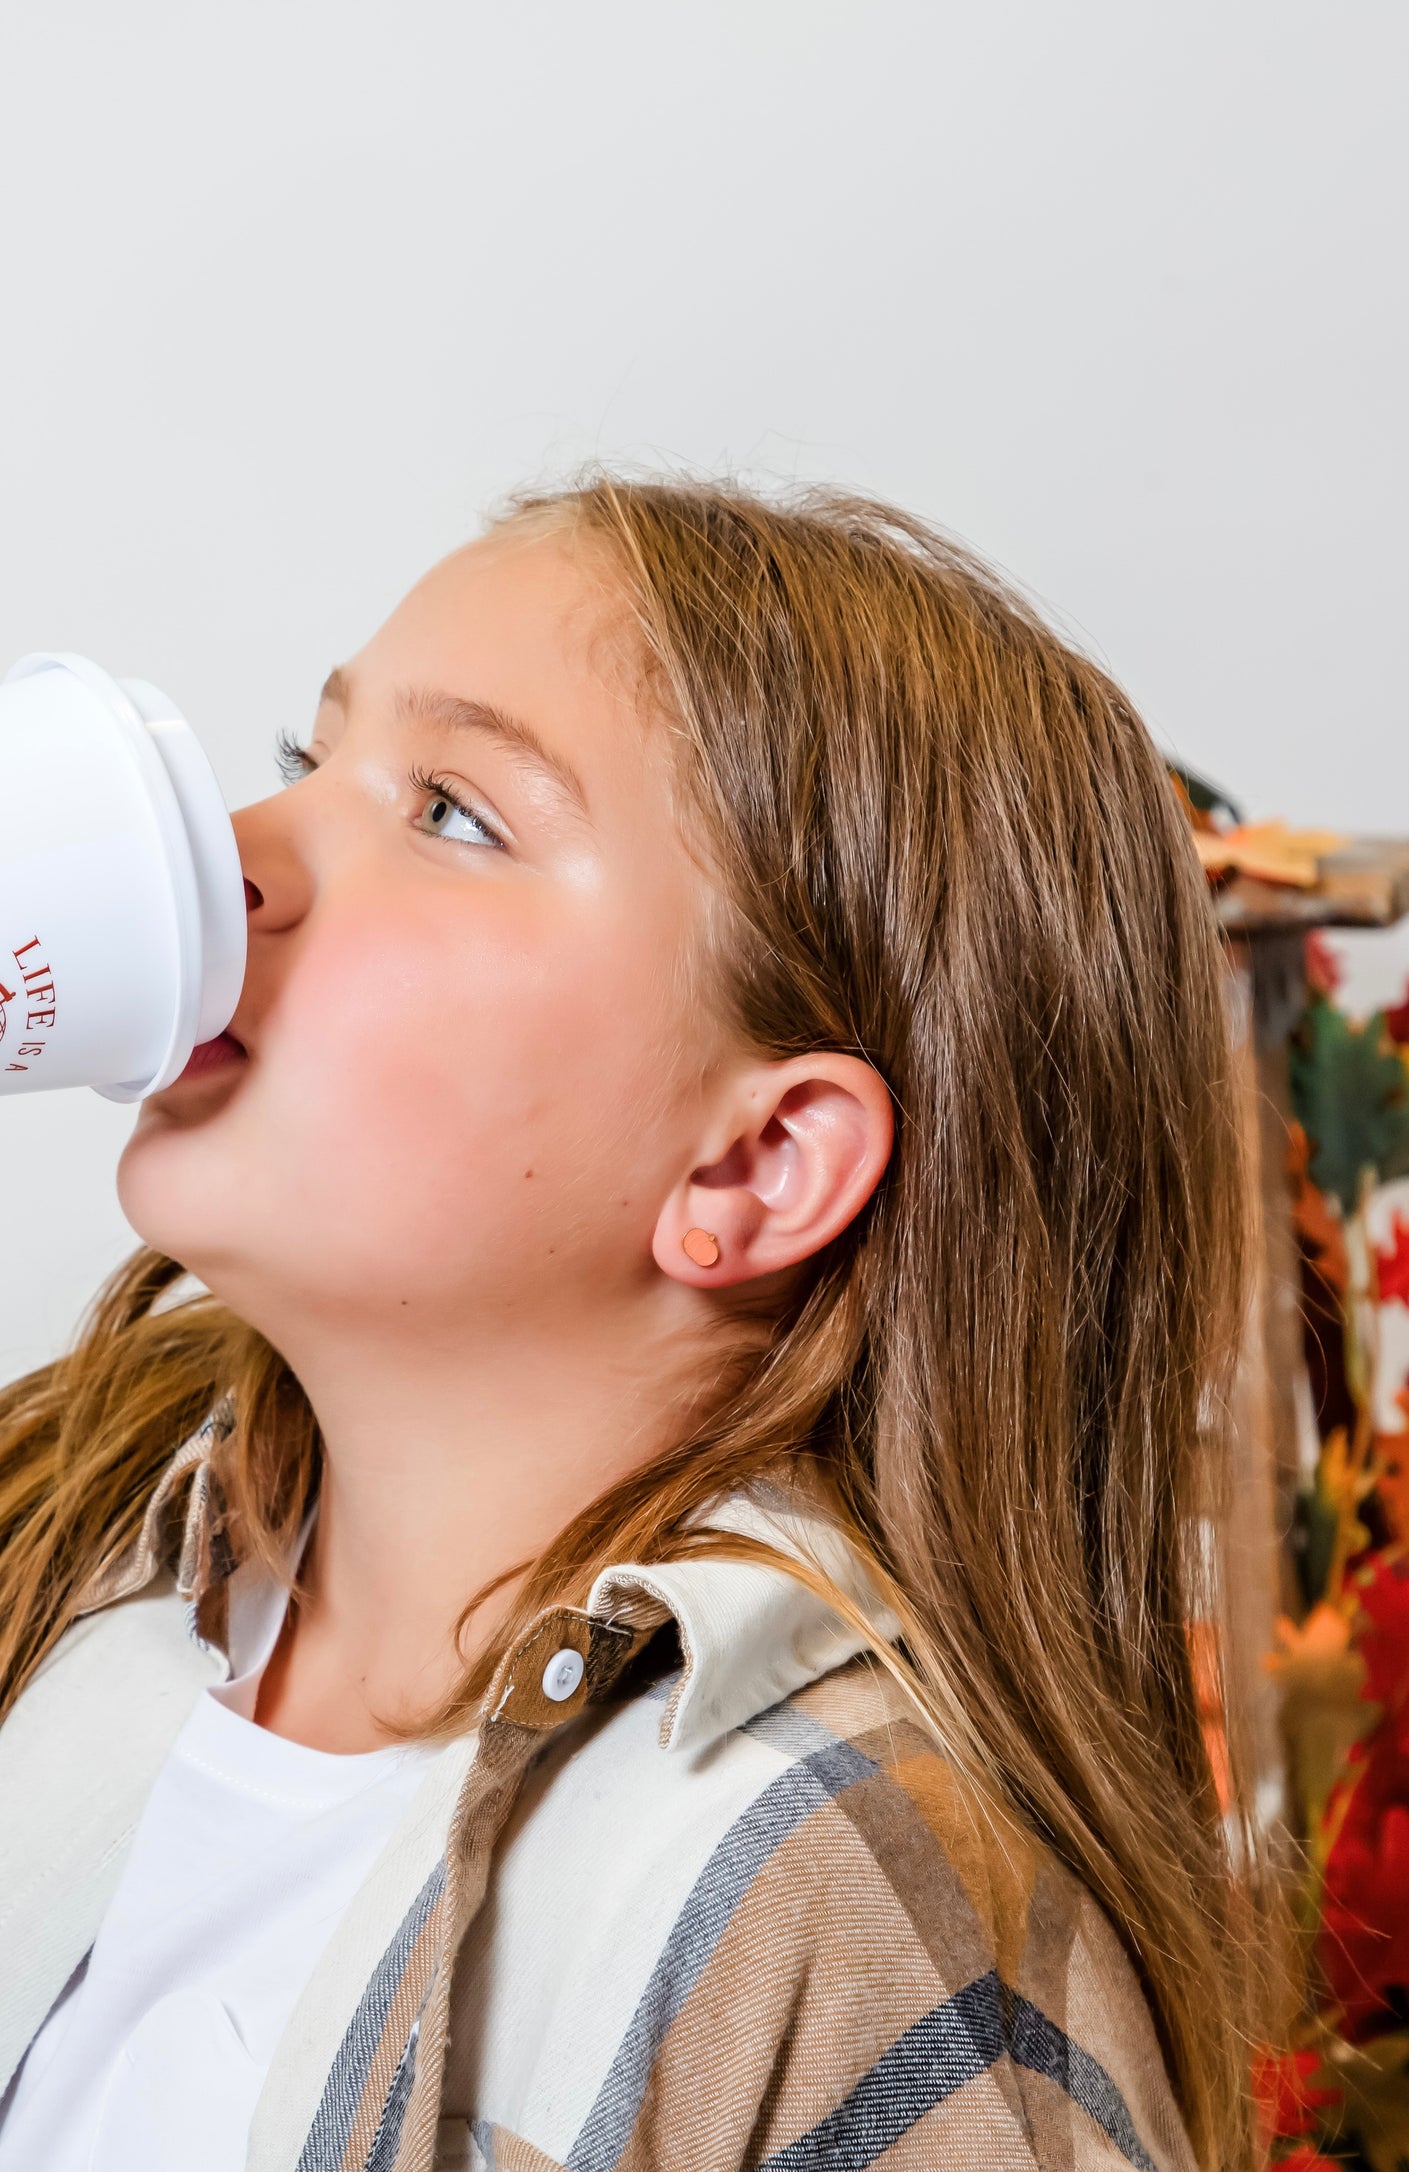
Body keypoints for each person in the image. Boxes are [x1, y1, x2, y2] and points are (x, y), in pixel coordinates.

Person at [0, 476, 1268, 2172]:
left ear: (752, 1162)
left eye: (451, 812)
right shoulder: (68, 1553)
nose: (236, 860)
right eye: (311, 763)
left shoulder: (833, 1902)